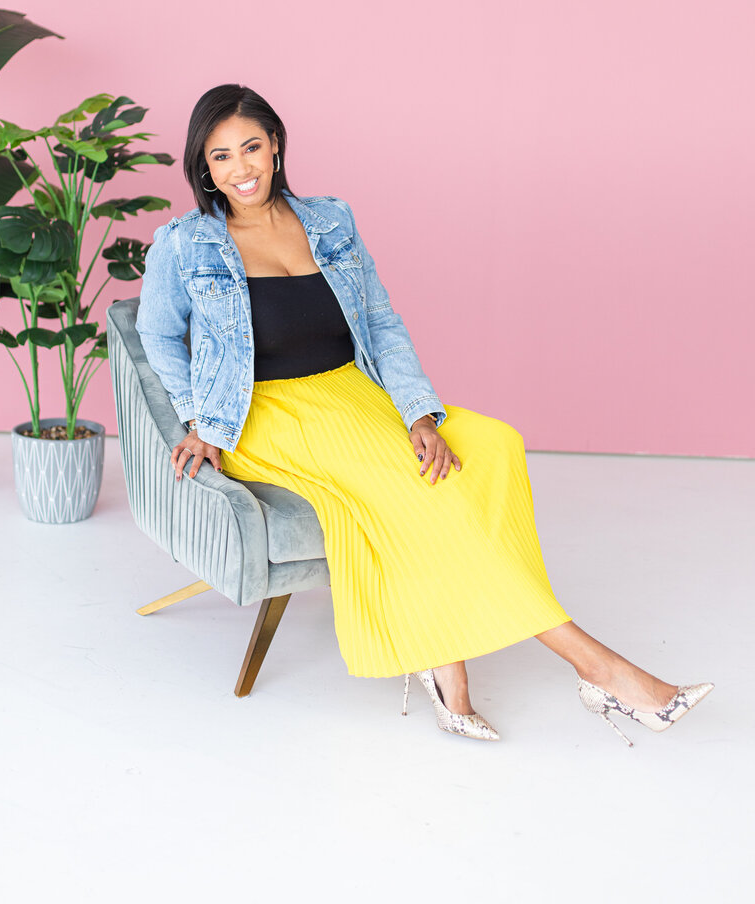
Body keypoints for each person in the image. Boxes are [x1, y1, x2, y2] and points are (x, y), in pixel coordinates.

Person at [136, 84, 713, 744]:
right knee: (415, 487)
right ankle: (603, 672)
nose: (241, 169)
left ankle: (452, 669)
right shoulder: (184, 244)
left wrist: (418, 414)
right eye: (221, 157)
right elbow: (157, 335)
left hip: (350, 391)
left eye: (251, 148)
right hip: (262, 412)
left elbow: (380, 321)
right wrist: (197, 423)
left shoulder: (329, 220)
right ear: (202, 167)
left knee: (490, 444)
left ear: (276, 146)